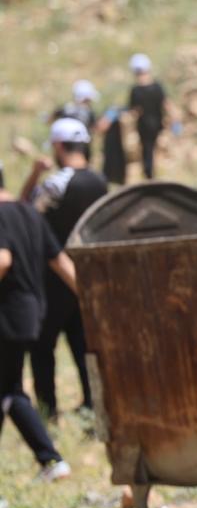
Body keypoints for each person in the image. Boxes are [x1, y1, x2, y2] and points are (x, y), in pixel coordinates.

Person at [19, 119, 108, 418]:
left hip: (53, 277)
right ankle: (92, 406)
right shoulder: (99, 181)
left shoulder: (57, 184)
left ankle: (48, 411)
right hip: (86, 274)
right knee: (84, 344)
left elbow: (23, 212)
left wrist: (33, 175)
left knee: (43, 347)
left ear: (58, 146)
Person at [0, 162, 77, 482]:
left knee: (10, 391)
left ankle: (51, 458)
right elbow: (60, 261)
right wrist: (91, 300)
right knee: (8, 390)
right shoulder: (29, 213)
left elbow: (2, 260)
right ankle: (49, 459)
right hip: (32, 314)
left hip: (5, 315)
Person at [126, 52, 171, 179]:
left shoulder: (136, 90)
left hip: (144, 126)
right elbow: (166, 104)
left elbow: (134, 111)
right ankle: (153, 174)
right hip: (157, 124)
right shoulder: (157, 87)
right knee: (154, 150)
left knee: (147, 150)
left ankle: (149, 175)